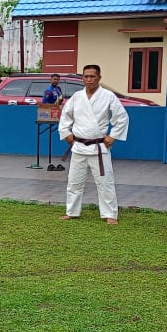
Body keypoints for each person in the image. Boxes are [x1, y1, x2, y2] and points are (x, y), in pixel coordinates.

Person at [58, 64, 130, 225]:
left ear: (99, 78)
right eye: (86, 76)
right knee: (74, 182)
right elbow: (65, 116)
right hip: (79, 146)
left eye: (92, 76)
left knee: (105, 182)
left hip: (99, 147)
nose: (89, 79)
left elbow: (122, 117)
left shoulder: (108, 96)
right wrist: (66, 133)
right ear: (82, 78)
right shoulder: (77, 97)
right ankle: (72, 211)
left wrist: (113, 136)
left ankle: (110, 214)